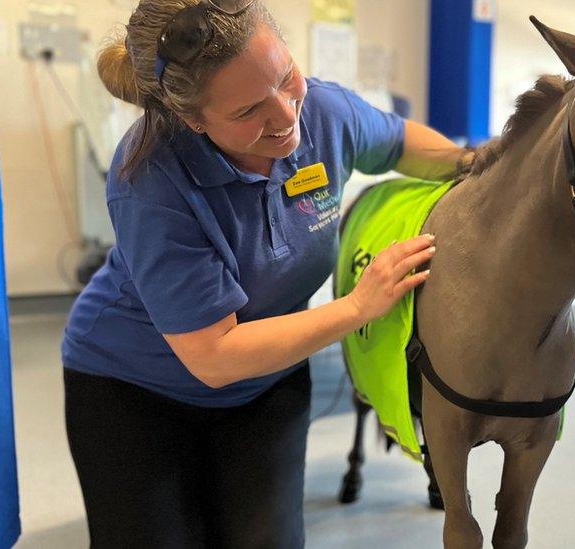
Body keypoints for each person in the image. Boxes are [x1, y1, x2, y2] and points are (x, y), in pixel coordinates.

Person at [61, 1, 468, 546]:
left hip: (266, 381)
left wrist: (489, 167)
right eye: (249, 110)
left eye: (285, 77)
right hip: (132, 387)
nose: (284, 115)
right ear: (192, 119)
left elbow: (400, 144)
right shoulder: (151, 178)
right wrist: (355, 308)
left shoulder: (321, 110)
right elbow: (215, 355)